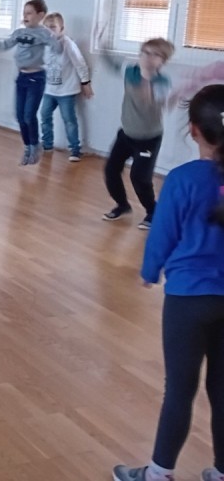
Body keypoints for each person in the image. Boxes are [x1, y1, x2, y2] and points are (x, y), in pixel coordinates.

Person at [112, 84, 224, 481]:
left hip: (187, 301)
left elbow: (162, 234)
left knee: (179, 389)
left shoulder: (182, 179)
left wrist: (149, 271)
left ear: (193, 130)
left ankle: (158, 474)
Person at [99, 38, 175, 229]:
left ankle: (152, 211)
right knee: (111, 170)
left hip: (148, 138)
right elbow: (112, 63)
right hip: (126, 134)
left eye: (155, 55)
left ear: (163, 61)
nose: (148, 58)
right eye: (145, 53)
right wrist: (102, 44)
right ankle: (122, 205)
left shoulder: (162, 82)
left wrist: (147, 82)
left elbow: (155, 104)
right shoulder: (130, 71)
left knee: (139, 178)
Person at [0, 0, 62, 165]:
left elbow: (57, 49)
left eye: (29, 13)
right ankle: (27, 147)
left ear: (40, 15)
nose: (25, 16)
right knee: (20, 116)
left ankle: (35, 146)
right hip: (22, 78)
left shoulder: (44, 33)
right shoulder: (19, 33)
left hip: (36, 78)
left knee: (29, 115)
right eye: (24, 13)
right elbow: (4, 45)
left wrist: (53, 35)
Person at [39, 12, 93, 161]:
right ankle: (47, 144)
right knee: (44, 115)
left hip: (66, 91)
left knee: (69, 119)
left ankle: (75, 150)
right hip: (49, 90)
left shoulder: (68, 44)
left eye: (53, 27)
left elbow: (80, 64)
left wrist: (85, 83)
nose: (49, 31)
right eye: (46, 28)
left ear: (61, 29)